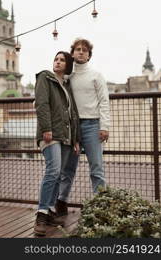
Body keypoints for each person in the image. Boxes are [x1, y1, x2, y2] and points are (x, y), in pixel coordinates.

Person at [55, 38, 110, 216]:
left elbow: (104, 101)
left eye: (84, 50)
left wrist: (105, 126)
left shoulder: (96, 75)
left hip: (93, 125)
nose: (80, 52)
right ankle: (61, 202)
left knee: (96, 168)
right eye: (77, 49)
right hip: (73, 127)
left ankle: (100, 206)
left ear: (89, 55)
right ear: (72, 53)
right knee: (67, 168)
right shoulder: (68, 77)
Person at [34, 51, 80, 236]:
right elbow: (42, 104)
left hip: (66, 136)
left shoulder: (67, 86)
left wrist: (76, 139)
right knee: (53, 170)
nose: (58, 62)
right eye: (56, 59)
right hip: (50, 134)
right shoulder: (45, 78)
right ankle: (42, 214)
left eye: (62, 60)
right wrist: (46, 128)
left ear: (67, 65)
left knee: (60, 173)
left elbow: (73, 114)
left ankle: (51, 211)